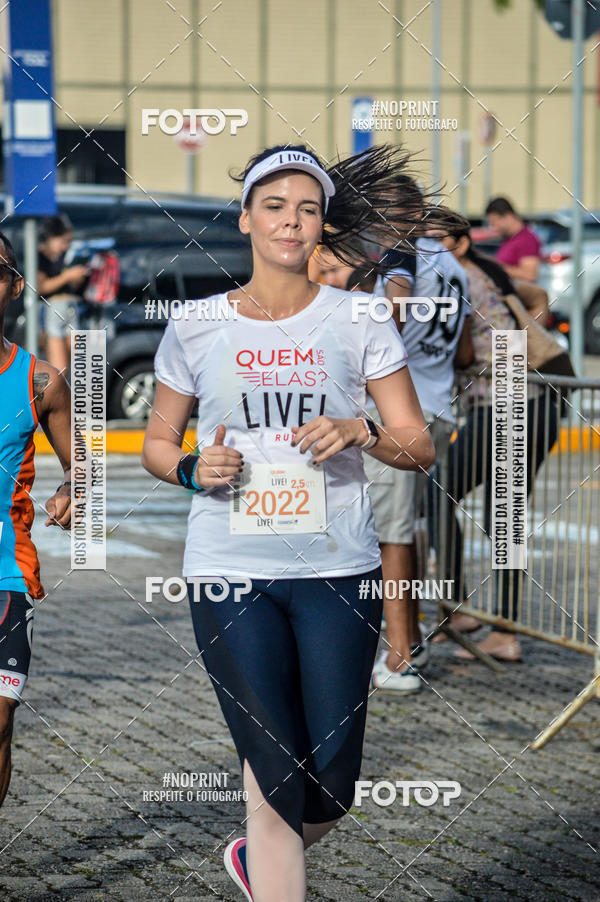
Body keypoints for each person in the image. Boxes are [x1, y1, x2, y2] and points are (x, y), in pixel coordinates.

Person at [141, 142, 446, 902]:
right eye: (274, 206)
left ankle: (254, 858)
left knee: (331, 784)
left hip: (338, 570)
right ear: (246, 218)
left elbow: (420, 443)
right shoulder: (196, 324)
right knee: (274, 773)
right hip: (228, 571)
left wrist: (361, 431)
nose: (291, 221)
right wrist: (187, 467)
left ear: (321, 226)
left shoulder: (361, 317)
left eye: (307, 209)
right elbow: (156, 441)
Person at [434, 215, 559, 661]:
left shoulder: (457, 278)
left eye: (436, 239)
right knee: (495, 512)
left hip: (508, 402)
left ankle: (476, 620)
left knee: (446, 498)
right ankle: (488, 623)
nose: (426, 246)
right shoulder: (486, 272)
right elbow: (538, 296)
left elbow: (464, 350)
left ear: (461, 244)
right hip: (529, 399)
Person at [366, 196, 473, 694]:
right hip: (440, 406)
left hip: (402, 409)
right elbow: (467, 347)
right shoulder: (454, 265)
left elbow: (393, 315)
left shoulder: (402, 257)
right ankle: (412, 639)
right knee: (408, 529)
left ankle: (401, 654)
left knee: (392, 535)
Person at [0, 232, 72, 806]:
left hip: (6, 574)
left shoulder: (40, 382)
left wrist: (74, 492)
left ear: (14, 286)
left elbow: (85, 467)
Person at [37, 214, 89, 374]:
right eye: (63, 241)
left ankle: (81, 397)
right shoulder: (38, 257)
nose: (66, 246)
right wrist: (68, 276)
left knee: (84, 368)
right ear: (51, 237)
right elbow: (41, 286)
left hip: (72, 309)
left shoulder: (67, 257)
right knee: (60, 371)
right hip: (53, 310)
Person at [485, 196, 541, 283]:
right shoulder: (509, 239)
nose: (494, 228)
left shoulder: (526, 240)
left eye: (494, 222)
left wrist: (496, 267)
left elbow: (529, 275)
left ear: (508, 216)